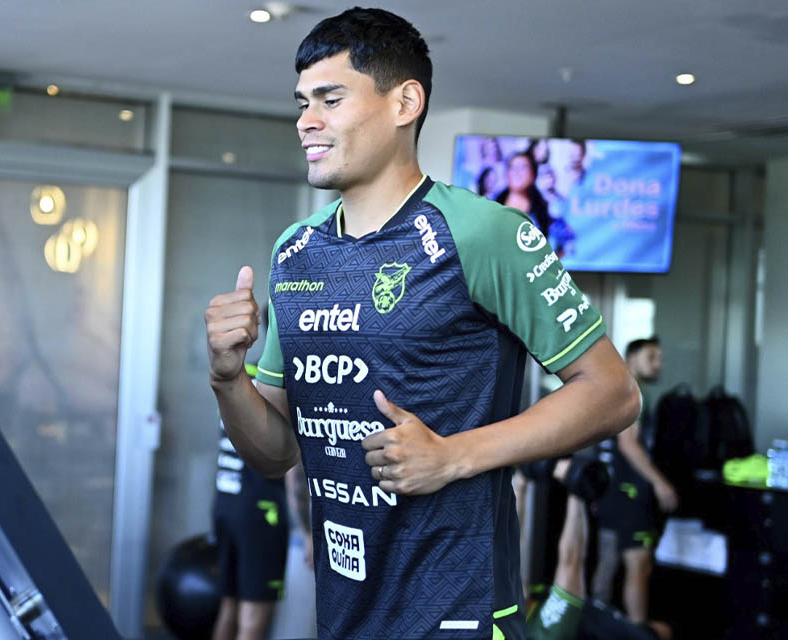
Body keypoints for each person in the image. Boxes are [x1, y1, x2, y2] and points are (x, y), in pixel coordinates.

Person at [203, 8, 639, 639]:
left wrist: (454, 456)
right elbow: (274, 453)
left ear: (405, 101)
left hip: (459, 612)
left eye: (330, 98)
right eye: (302, 102)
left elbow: (614, 392)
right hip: (346, 614)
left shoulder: (486, 232)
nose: (306, 122)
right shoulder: (295, 250)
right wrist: (225, 378)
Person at [521, 458, 672, 640]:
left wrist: (519, 486)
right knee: (662, 631)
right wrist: (576, 490)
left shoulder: (513, 615)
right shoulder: (547, 631)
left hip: (601, 620)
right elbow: (572, 558)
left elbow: (509, 551)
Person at [590, 338, 675, 625]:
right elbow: (628, 445)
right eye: (652, 357)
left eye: (660, 358)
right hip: (626, 492)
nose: (658, 364)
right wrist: (660, 483)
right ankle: (637, 631)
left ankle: (597, 627)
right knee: (638, 564)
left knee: (609, 562)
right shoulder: (631, 391)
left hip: (613, 492)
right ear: (631, 358)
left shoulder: (621, 388)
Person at [212, 362, 290, 640]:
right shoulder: (281, 379)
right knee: (253, 617)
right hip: (260, 511)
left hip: (226, 501)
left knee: (229, 605)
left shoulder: (242, 370)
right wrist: (307, 528)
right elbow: (294, 469)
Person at [495, 151, 553, 240]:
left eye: (523, 167)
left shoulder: (543, 210)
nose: (517, 172)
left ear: (533, 175)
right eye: (512, 167)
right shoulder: (492, 206)